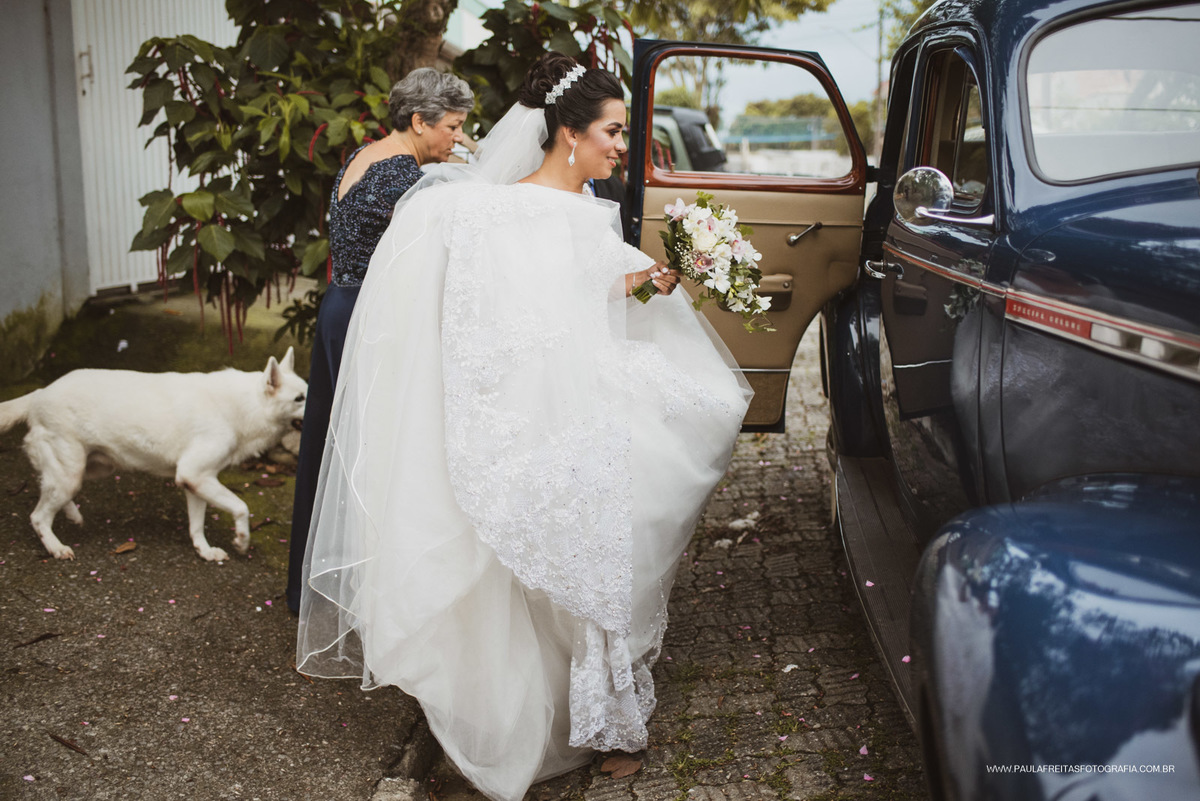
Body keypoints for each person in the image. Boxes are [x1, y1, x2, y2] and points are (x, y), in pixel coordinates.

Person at [295, 53, 752, 801]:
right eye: (612, 131)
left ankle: (604, 711)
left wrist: (656, 276)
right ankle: (581, 717)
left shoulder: (585, 209)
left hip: (588, 398)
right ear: (568, 133)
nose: (621, 146)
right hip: (535, 411)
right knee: (565, 560)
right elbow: (500, 316)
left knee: (615, 536)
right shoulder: (501, 210)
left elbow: (594, 287)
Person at [285, 69, 474, 613]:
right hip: (369, 319)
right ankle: (366, 589)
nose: (457, 139)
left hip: (337, 308)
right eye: (453, 127)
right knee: (372, 450)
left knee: (328, 444)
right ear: (420, 121)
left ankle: (312, 586)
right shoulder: (402, 180)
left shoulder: (363, 157)